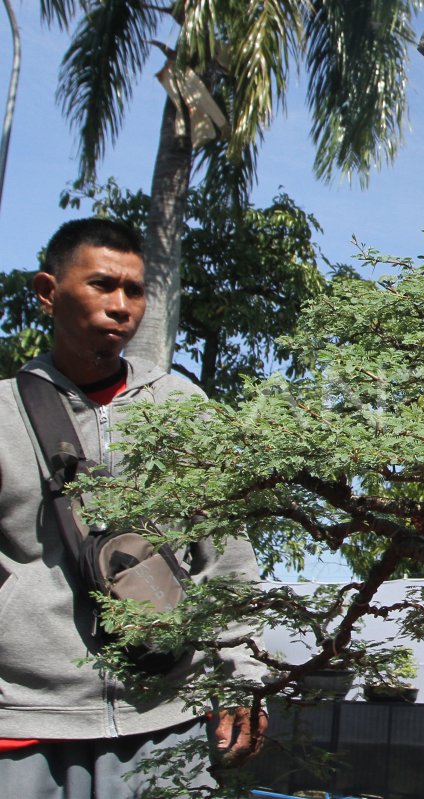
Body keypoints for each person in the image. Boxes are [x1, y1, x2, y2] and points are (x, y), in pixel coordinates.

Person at [0, 218, 269, 796]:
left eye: (135, 290)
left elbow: (227, 558)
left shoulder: (181, 407)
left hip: (166, 719)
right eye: (101, 285)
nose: (121, 306)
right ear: (48, 292)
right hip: (23, 726)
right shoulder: (1, 416)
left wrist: (242, 677)